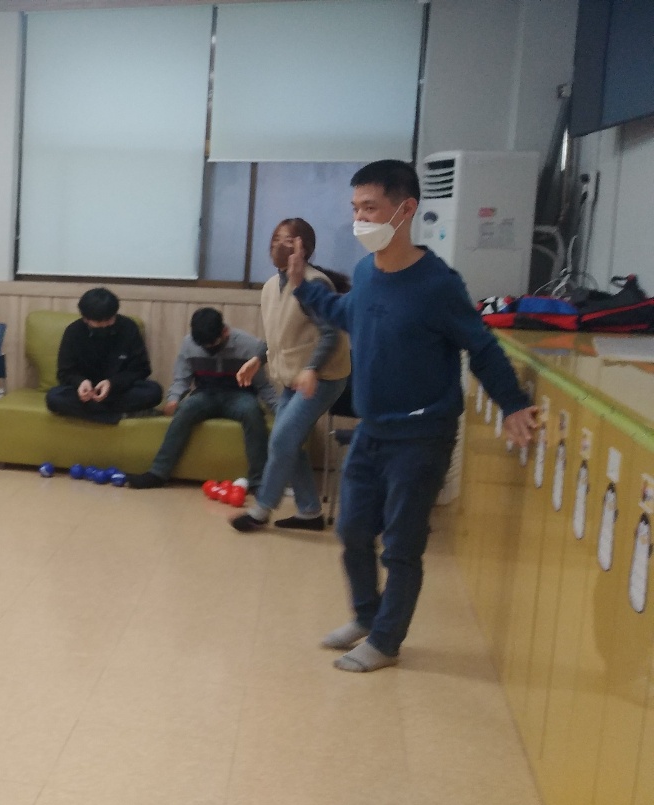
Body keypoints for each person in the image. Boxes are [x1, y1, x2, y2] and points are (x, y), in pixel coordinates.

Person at [290, 159, 537, 673]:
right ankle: (366, 617)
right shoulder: (365, 273)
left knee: (401, 546)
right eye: (355, 208)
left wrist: (512, 403)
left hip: (422, 435)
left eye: (370, 208)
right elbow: (346, 313)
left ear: (405, 209)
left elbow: (481, 347)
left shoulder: (438, 284)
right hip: (372, 429)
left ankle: (386, 641)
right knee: (352, 531)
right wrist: (302, 287)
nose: (359, 219)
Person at [229, 220, 351, 533]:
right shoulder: (272, 285)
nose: (275, 245)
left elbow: (331, 334)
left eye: (284, 240)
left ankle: (261, 510)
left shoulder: (314, 283)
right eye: (274, 238)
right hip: (292, 378)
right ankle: (310, 512)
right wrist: (256, 359)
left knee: (283, 438)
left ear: (302, 248)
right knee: (289, 441)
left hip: (323, 378)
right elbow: (277, 332)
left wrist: (312, 369)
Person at [126, 308, 276, 490]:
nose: (208, 349)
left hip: (240, 395)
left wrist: (278, 409)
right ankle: (158, 473)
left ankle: (258, 481)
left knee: (252, 412)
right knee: (185, 409)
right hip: (205, 393)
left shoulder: (248, 345)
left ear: (225, 332)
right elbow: (182, 379)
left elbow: (262, 384)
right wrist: (173, 399)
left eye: (212, 344)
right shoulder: (189, 344)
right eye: (203, 346)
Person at [44, 288, 163, 424]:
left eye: (109, 319)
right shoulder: (73, 332)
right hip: (87, 395)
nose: (105, 324)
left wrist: (112, 383)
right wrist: (80, 382)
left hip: (117, 391)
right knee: (54, 398)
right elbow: (65, 372)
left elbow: (141, 369)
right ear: (85, 318)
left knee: (154, 391)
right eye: (99, 322)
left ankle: (96, 414)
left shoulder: (128, 327)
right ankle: (118, 415)